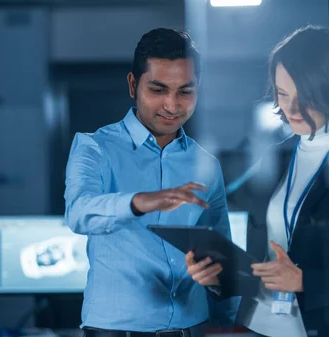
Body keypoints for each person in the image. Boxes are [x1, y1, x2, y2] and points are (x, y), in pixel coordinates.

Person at [186, 25, 329, 337]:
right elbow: (265, 264)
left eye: (303, 96)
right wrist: (220, 279)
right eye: (282, 94)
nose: (289, 108)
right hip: (262, 328)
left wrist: (305, 281)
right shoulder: (276, 159)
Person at [65, 28, 237, 337]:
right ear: (133, 85)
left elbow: (220, 258)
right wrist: (139, 202)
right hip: (115, 333)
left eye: (185, 91)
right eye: (158, 90)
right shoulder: (94, 147)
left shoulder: (206, 164)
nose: (172, 106)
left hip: (193, 329)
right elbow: (78, 213)